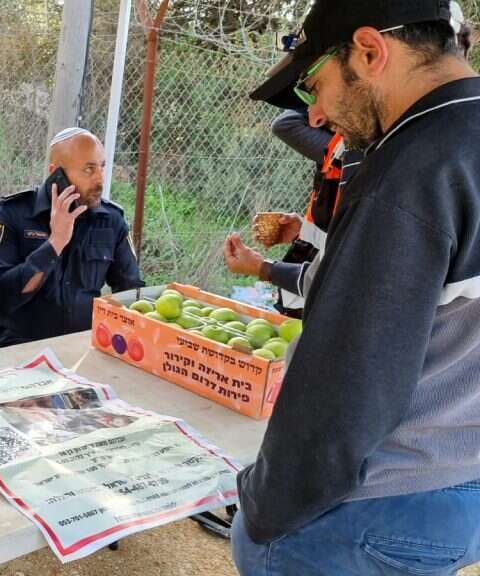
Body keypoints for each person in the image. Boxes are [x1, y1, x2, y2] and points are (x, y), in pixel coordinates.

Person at [234, 1, 480, 574]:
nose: (315, 116)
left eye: (314, 86)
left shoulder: (412, 169)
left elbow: (347, 381)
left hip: (376, 504)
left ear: (369, 51)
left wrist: (264, 512)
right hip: (458, 480)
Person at [0, 128, 143, 348]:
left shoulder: (111, 220)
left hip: (83, 348)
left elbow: (131, 292)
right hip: (18, 347)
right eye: (89, 169)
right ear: (56, 174)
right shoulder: (13, 212)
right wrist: (55, 243)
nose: (100, 179)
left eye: (102, 166)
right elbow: (2, 295)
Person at [223, 110, 363, 317]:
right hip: (303, 307)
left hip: (328, 317)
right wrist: (303, 233)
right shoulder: (341, 147)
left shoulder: (364, 164)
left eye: (315, 91)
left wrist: (263, 268)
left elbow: (340, 281)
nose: (313, 118)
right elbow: (333, 236)